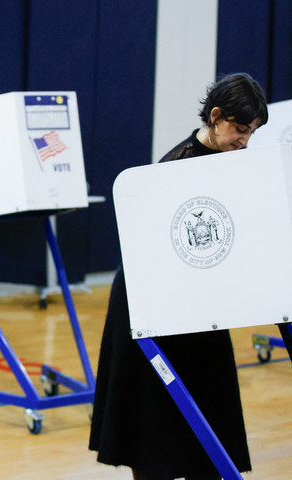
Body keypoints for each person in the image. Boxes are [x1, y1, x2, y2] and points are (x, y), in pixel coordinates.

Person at [89, 72, 268, 480]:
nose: (245, 141)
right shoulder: (178, 166)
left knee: (208, 427)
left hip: (196, 306)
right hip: (150, 305)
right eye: (240, 130)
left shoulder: (226, 162)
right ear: (216, 116)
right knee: (152, 430)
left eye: (252, 133)